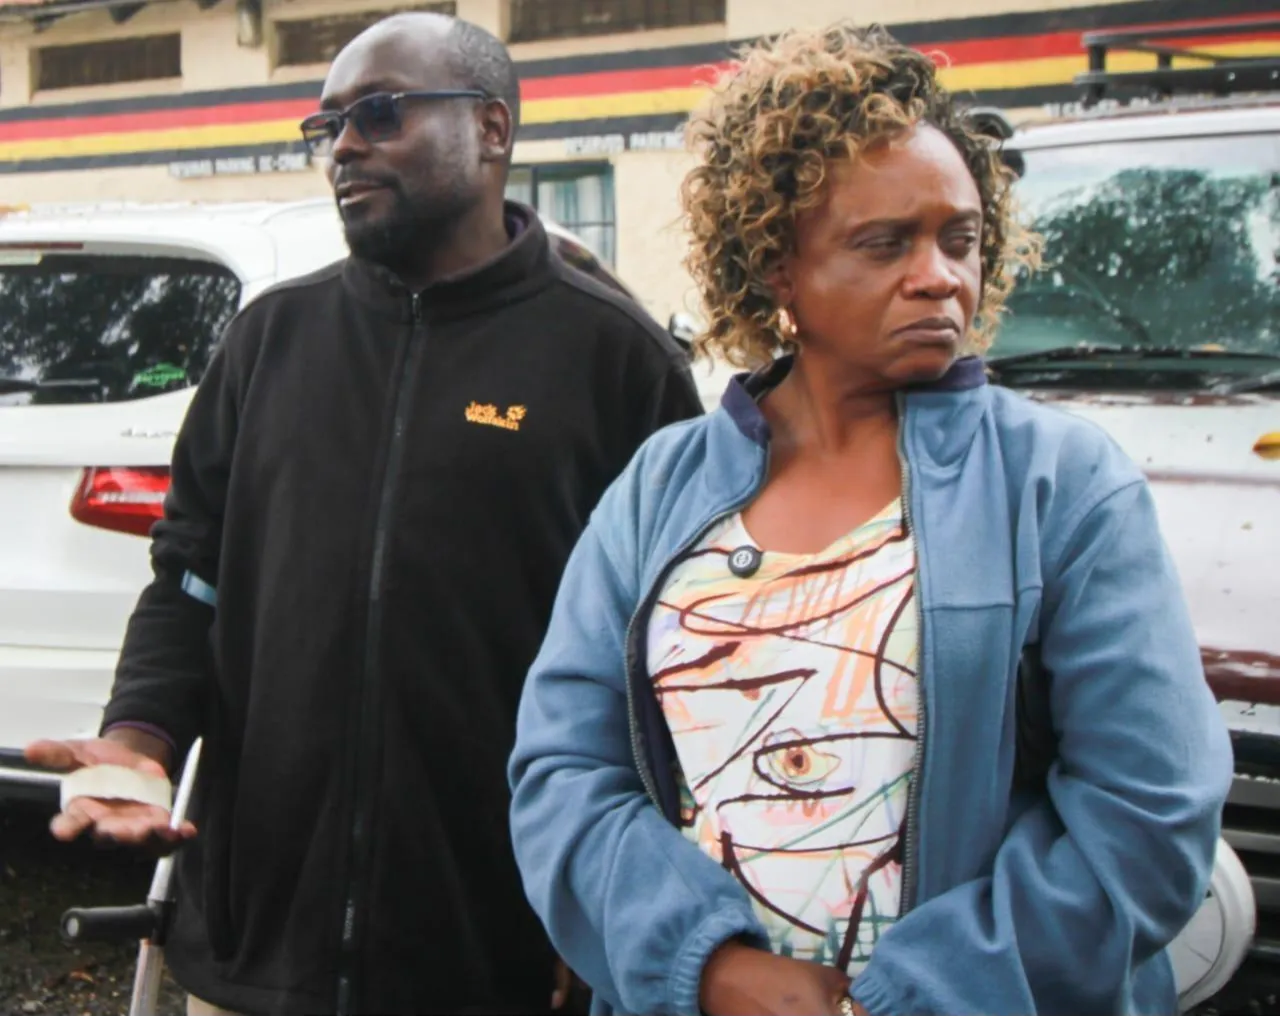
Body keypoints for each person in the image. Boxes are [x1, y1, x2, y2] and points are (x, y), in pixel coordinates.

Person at [506, 22, 1233, 1017]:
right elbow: (563, 777)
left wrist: (901, 998)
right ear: (777, 266)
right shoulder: (659, 488)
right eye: (885, 243)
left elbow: (1150, 811)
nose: (938, 275)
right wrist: (710, 971)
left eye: (959, 239)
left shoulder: (1060, 483)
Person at [26, 11, 701, 1017]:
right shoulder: (269, 341)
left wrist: (606, 893)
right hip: (258, 942)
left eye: (379, 113)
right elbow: (190, 578)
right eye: (329, 123)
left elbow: (674, 659)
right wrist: (139, 736)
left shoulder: (615, 360)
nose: (343, 145)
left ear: (491, 129)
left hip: (491, 950)